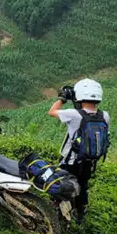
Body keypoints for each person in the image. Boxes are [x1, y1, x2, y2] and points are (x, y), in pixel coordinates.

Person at [47, 78, 111, 224]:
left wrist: (62, 98)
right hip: (90, 160)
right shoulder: (105, 115)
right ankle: (80, 213)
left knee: (63, 184)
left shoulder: (74, 114)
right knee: (83, 184)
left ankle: (59, 214)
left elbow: (51, 112)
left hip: (71, 160)